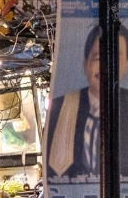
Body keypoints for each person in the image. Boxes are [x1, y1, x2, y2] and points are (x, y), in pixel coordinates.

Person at [46, 24, 128, 178]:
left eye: (115, 58)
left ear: (126, 65)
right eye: (98, 58)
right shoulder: (60, 108)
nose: (106, 67)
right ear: (85, 65)